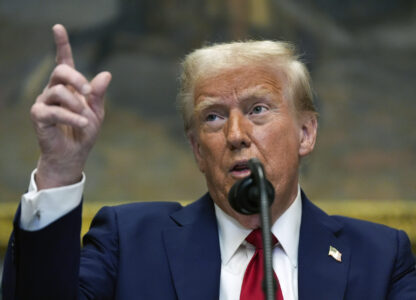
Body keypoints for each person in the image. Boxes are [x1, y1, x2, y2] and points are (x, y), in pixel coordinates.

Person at [2, 24, 416, 300]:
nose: (235, 135)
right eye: (213, 117)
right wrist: (58, 168)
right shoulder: (129, 243)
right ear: (198, 149)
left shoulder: (379, 259)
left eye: (257, 109)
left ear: (305, 133)